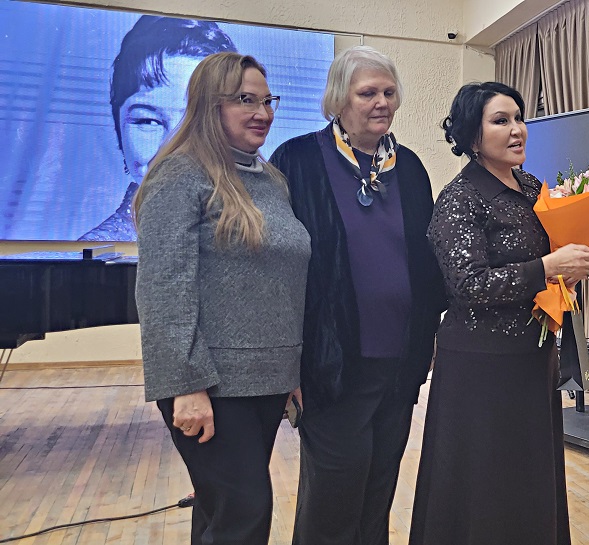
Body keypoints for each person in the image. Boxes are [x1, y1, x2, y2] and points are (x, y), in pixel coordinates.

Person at [408, 81, 589, 545]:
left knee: (528, 477)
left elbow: (542, 267)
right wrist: (548, 267)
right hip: (480, 365)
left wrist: (570, 271)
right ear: (473, 137)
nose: (517, 130)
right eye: (501, 121)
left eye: (519, 118)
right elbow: (467, 285)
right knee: (484, 484)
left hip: (532, 358)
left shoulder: (533, 187)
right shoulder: (459, 198)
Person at [268, 46, 446, 545]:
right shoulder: (297, 160)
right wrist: (288, 364)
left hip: (400, 363)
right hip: (331, 364)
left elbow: (427, 263)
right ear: (338, 99)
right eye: (368, 93)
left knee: (377, 491)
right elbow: (278, 272)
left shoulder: (409, 167)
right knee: (333, 497)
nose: (381, 102)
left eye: (389, 92)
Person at [134, 52, 309, 545]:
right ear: (210, 105)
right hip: (209, 383)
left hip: (266, 380)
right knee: (245, 513)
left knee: (221, 515)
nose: (262, 113)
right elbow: (163, 288)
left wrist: (291, 372)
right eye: (245, 100)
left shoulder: (270, 180)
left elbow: (279, 285)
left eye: (268, 101)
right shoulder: (179, 175)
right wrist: (185, 385)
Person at [82, 16, 236, 241]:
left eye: (196, 120)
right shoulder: (93, 252)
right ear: (119, 128)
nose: (172, 146)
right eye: (147, 121)